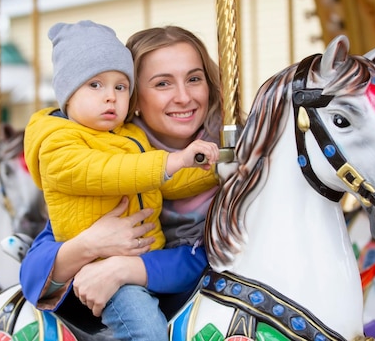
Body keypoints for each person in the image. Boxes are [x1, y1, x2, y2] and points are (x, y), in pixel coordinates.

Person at [19, 24, 227, 337]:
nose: (183, 97)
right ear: (137, 100)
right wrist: (88, 245)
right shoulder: (98, 148)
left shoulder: (225, 153)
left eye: (194, 79)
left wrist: (219, 168)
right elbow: (35, 268)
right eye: (162, 84)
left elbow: (226, 257)